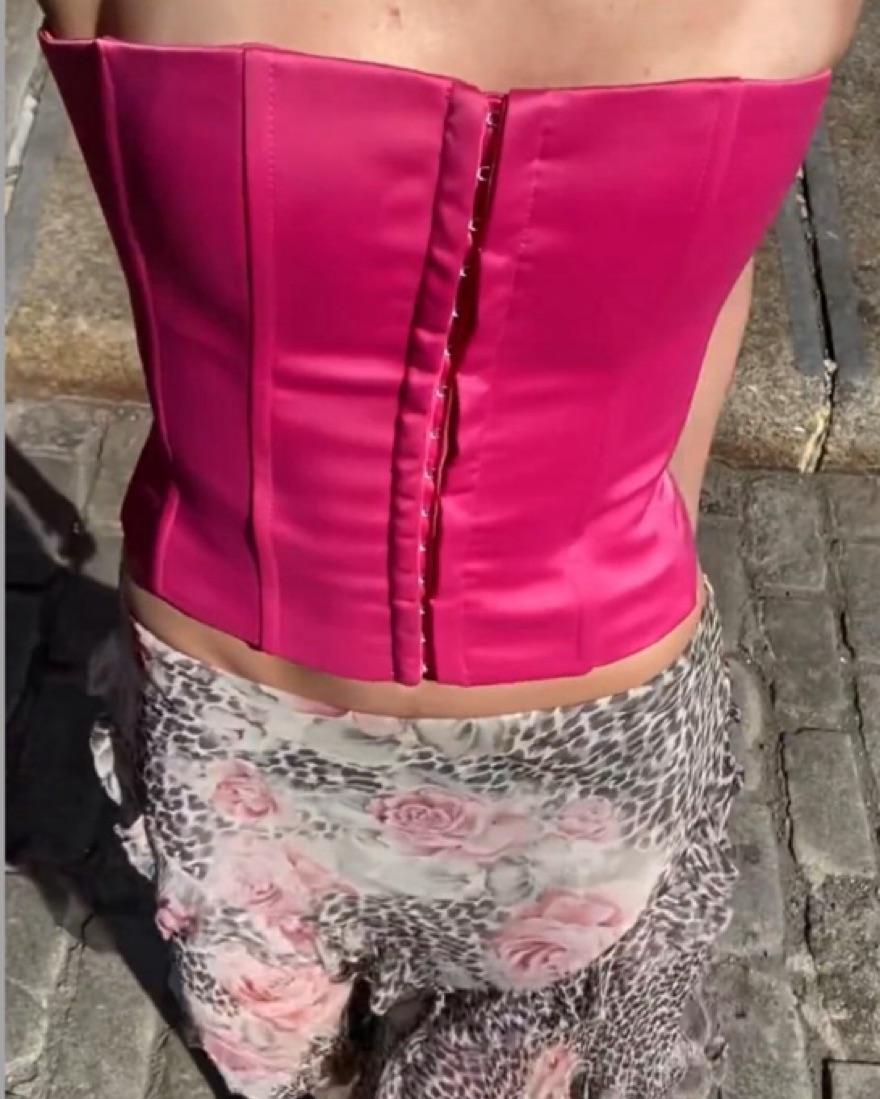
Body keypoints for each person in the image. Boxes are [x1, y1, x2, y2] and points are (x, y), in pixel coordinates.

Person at [37, 2, 864, 1097]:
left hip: (228, 710)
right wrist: (651, 538)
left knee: (273, 1058)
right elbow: (710, 278)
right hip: (598, 719)